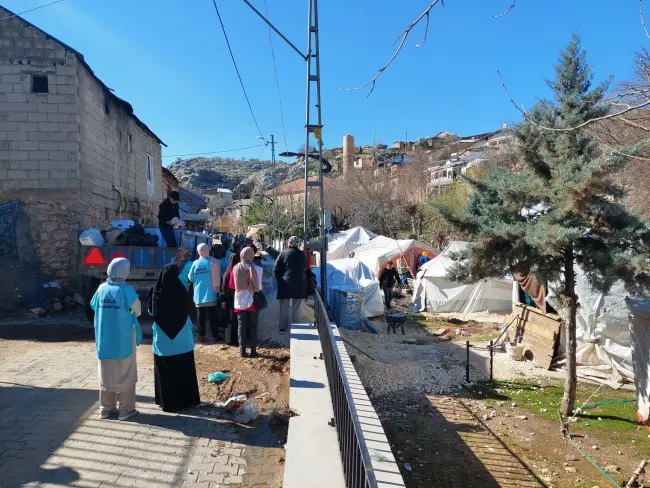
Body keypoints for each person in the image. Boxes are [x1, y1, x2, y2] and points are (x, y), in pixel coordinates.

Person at [91, 258, 142, 421]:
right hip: (123, 339)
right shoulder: (126, 290)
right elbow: (138, 310)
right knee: (125, 373)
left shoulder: (101, 289)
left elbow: (93, 305)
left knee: (106, 373)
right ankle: (126, 410)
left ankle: (106, 409)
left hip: (104, 339)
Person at [150, 250, 201, 413]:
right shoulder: (181, 291)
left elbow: (151, 312)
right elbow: (188, 310)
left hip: (163, 339)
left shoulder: (155, 292)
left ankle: (165, 402)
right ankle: (186, 401)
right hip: (182, 339)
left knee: (165, 371)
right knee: (183, 369)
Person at [230, 247, 263, 357]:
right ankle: (253, 351)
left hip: (239, 301)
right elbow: (259, 286)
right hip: (253, 301)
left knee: (241, 325)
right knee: (253, 325)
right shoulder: (258, 269)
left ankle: (242, 351)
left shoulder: (235, 268)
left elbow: (231, 285)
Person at [188, 243, 221, 344]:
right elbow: (219, 274)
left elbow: (190, 278)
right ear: (208, 250)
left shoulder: (195, 263)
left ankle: (202, 337)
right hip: (211, 293)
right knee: (212, 316)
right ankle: (215, 336)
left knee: (200, 317)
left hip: (199, 294)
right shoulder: (214, 261)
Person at [274, 236, 307, 335]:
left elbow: (275, 267)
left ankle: (283, 328)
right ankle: (296, 328)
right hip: (298, 284)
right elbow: (304, 266)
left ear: (289, 243)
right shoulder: (302, 254)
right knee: (296, 308)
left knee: (284, 307)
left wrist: (279, 279)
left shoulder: (283, 253)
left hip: (285, 283)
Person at [221, 251, 241, 347]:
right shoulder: (239, 271)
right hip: (238, 299)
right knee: (237, 320)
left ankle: (228, 340)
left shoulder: (227, 273)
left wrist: (223, 300)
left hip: (229, 299)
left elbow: (223, 288)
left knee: (229, 320)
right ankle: (236, 339)